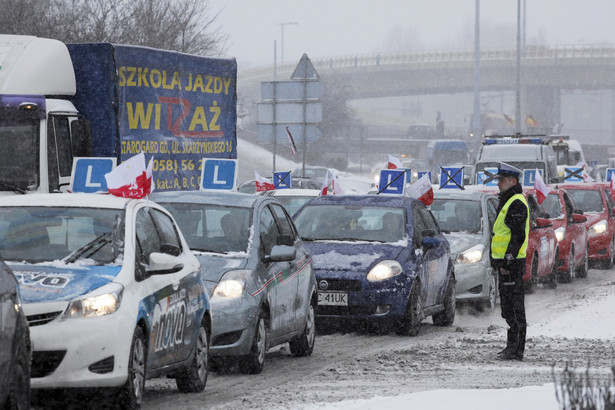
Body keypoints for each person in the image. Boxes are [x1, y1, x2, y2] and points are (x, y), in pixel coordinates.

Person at [491, 162, 529, 361]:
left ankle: (516, 350)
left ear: (512, 181)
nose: (498, 184)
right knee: (508, 308)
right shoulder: (508, 200)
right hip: (505, 265)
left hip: (511, 265)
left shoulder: (516, 202)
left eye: (501, 180)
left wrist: (507, 261)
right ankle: (511, 347)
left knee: (514, 308)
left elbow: (517, 236)